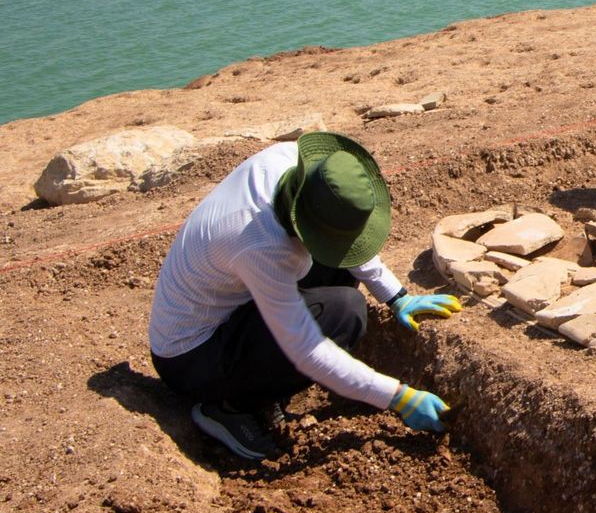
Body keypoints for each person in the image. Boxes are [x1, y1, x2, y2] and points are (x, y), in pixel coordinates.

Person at [148, 131, 462, 461]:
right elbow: (305, 348)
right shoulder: (259, 245)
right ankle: (229, 408)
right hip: (192, 357)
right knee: (345, 312)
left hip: (232, 305)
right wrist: (397, 397)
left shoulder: (296, 168)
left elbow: (345, 236)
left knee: (338, 264)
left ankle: (263, 380)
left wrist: (396, 296)